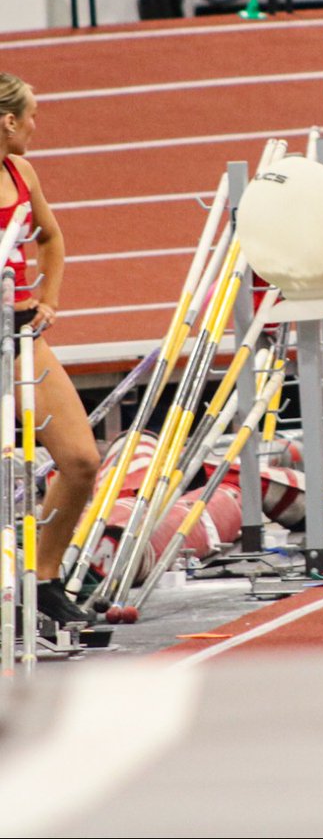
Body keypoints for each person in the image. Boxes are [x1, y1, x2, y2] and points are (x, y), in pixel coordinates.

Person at [0, 73, 101, 626]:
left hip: (16, 330)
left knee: (81, 461)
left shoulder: (22, 171)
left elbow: (51, 237)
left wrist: (48, 298)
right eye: (31, 116)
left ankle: (43, 577)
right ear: (8, 121)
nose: (37, 127)